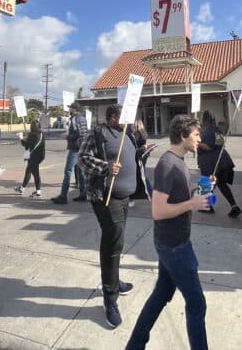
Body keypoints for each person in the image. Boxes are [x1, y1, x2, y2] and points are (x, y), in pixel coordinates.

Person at [126, 114, 211, 350]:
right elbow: (158, 211)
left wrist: (198, 192)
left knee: (161, 295)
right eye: (196, 135)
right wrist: (191, 204)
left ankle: (135, 345)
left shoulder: (179, 161)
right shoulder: (167, 165)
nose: (199, 139)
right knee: (197, 304)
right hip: (175, 247)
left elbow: (177, 197)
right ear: (183, 136)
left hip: (172, 243)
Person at [78, 104, 148, 328]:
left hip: (124, 197)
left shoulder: (126, 132)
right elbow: (82, 159)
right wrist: (105, 167)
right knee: (112, 244)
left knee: (116, 242)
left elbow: (128, 157)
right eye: (124, 117)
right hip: (106, 198)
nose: (129, 121)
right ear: (112, 117)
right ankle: (110, 299)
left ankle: (114, 282)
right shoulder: (97, 133)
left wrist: (142, 152)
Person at [196, 110, 241, 218]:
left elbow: (208, 147)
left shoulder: (206, 132)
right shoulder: (216, 129)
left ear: (204, 120)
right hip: (222, 160)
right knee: (221, 184)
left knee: (206, 184)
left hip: (210, 162)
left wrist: (198, 143)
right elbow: (221, 144)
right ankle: (234, 206)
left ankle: (208, 206)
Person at [53, 101, 89, 204]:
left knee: (68, 171)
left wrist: (67, 136)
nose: (69, 109)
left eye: (70, 108)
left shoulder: (74, 119)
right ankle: (83, 194)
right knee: (80, 171)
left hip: (75, 148)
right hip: (82, 147)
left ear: (74, 109)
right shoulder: (83, 118)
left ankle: (63, 196)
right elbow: (84, 133)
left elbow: (78, 134)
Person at [15, 119, 45, 198]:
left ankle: (38, 192)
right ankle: (22, 188)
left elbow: (26, 145)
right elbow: (32, 143)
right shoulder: (42, 133)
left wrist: (21, 138)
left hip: (33, 157)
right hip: (40, 156)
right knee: (28, 171)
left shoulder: (32, 134)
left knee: (36, 174)